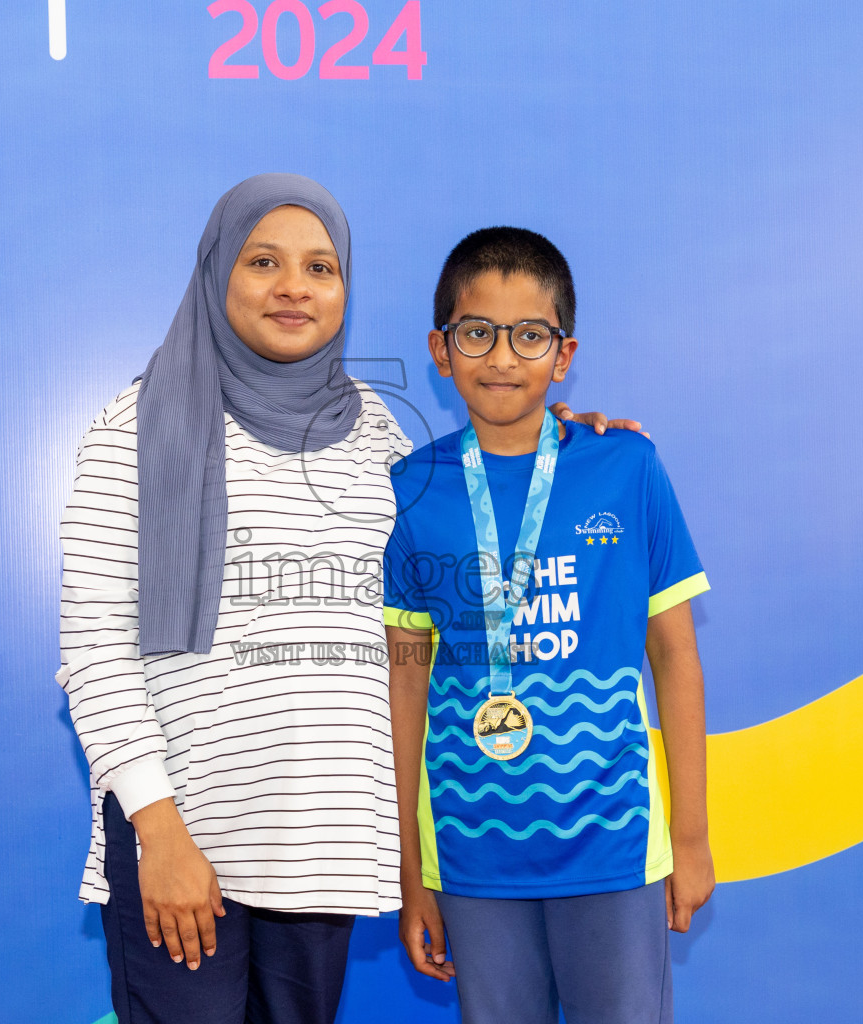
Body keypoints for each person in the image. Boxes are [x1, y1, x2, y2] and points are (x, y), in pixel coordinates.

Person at [57, 175, 638, 1024]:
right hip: (184, 845)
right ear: (218, 273)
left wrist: (563, 442)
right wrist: (161, 833)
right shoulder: (138, 426)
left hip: (315, 852)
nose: (295, 287)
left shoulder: (378, 434)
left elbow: (454, 546)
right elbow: (97, 652)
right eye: (264, 261)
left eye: (321, 268)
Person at [383, 227, 715, 1024]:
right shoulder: (409, 491)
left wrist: (695, 838)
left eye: (530, 335)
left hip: (613, 842)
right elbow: (404, 680)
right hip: (470, 851)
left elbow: (674, 655)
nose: (502, 357)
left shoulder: (626, 467)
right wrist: (409, 867)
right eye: (477, 333)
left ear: (563, 355)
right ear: (440, 348)